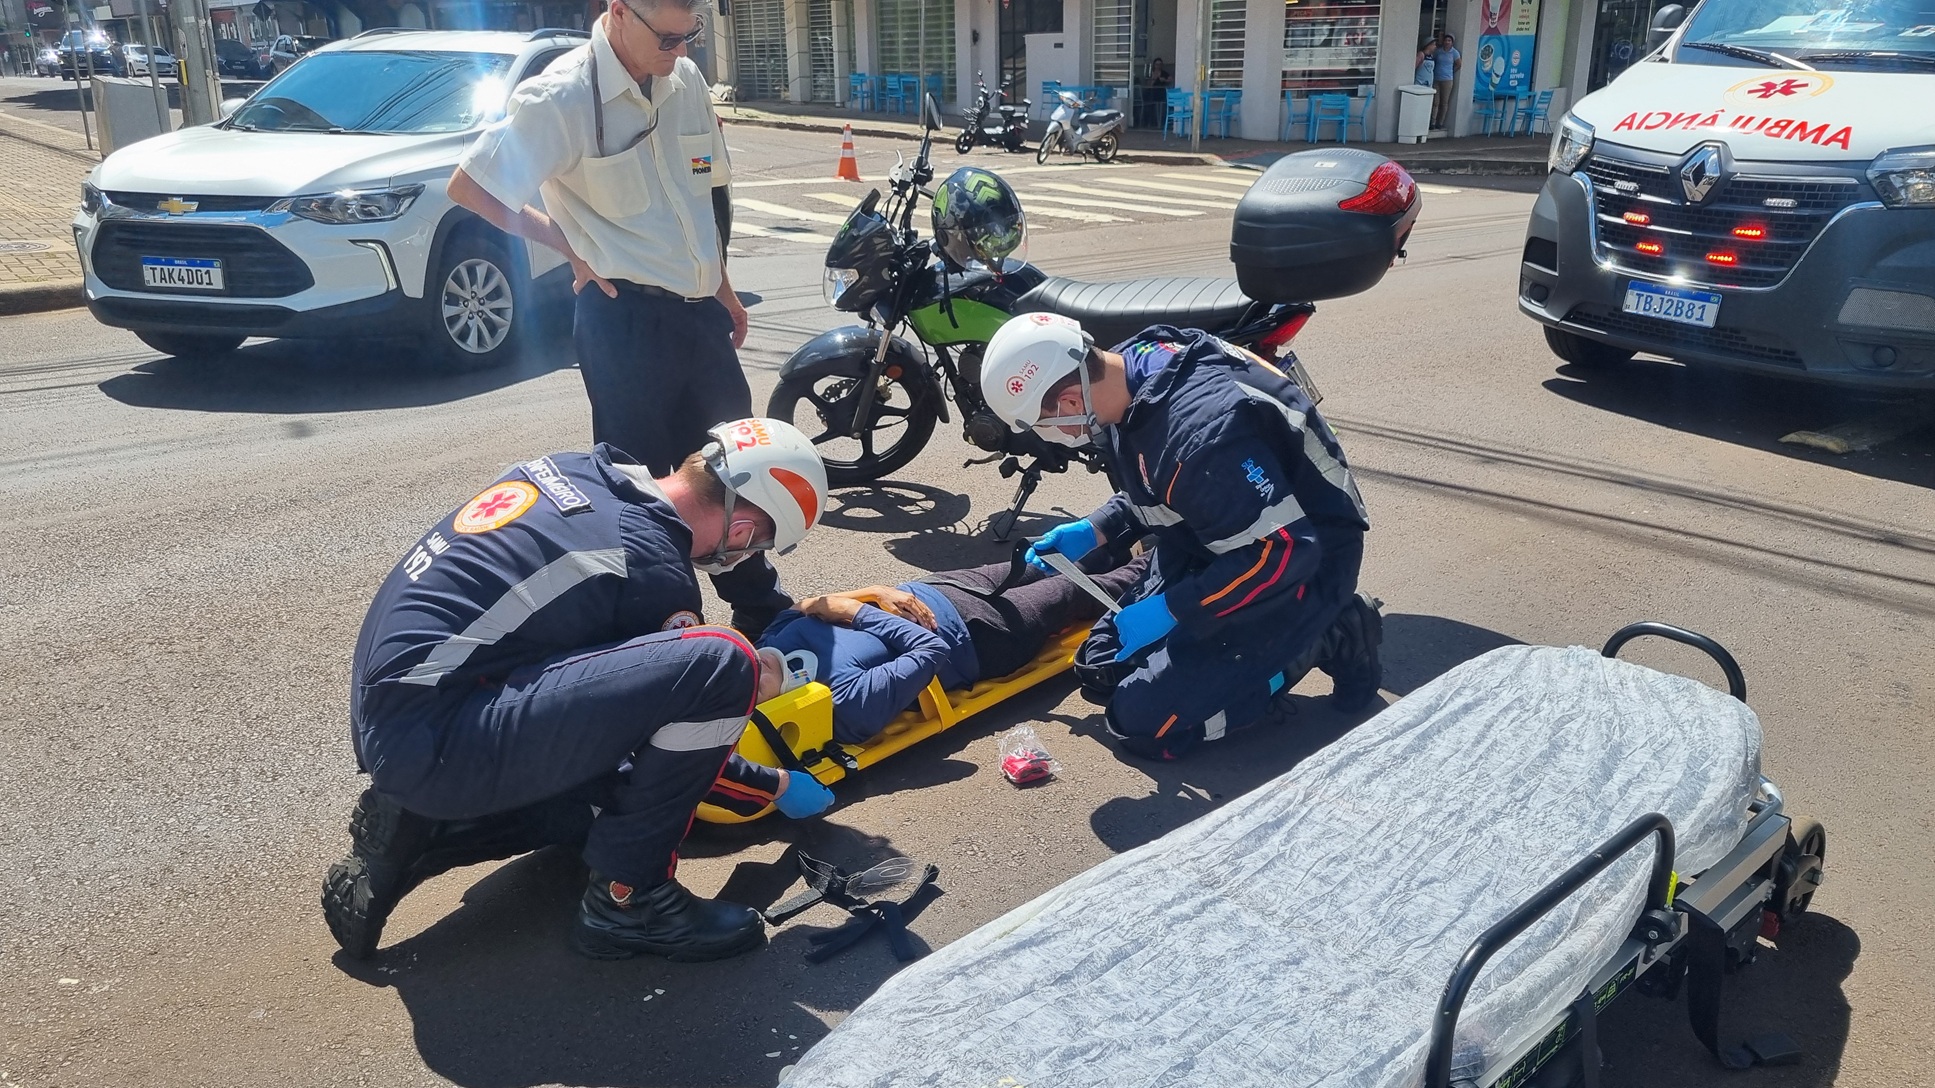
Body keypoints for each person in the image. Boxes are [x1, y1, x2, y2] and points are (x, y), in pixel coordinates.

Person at [324, 419, 835, 964]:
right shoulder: (649, 567)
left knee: (598, 809)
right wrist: (774, 786)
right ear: (740, 533)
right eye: (758, 548)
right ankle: (630, 900)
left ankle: (421, 829)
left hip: (402, 714)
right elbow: (671, 752)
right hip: (439, 738)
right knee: (722, 663)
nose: (745, 560)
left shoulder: (577, 470)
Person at [445, 0, 790, 635]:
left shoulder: (683, 82)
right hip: (623, 319)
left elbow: (701, 200)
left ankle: (760, 607)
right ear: (618, 12)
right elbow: (472, 186)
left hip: (700, 317)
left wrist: (724, 289)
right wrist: (568, 247)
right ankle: (662, 622)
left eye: (691, 36)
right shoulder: (561, 98)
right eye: (667, 38)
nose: (680, 52)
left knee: (736, 466)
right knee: (641, 484)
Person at [978, 314, 1383, 761]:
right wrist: (1096, 528)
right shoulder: (1128, 371)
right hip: (1217, 537)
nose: (1044, 437)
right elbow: (1166, 483)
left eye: (1040, 425)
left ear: (1071, 397)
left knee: (1142, 727)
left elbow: (1282, 553)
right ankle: (1235, 652)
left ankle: (1330, 632)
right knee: (1100, 666)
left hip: (1300, 565)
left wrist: (1173, 609)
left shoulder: (1200, 437)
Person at [754, 554, 1152, 745]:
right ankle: (1172, 560)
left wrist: (875, 593)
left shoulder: (765, 646)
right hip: (984, 637)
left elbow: (800, 607)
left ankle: (1136, 521)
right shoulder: (843, 704)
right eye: (752, 683)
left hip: (935, 587)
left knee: (1047, 558)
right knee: (1081, 588)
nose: (752, 663)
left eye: (741, 660)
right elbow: (930, 648)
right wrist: (856, 611)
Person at [1433, 33, 1462, 127]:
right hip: (1437, 78)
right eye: (1446, 40)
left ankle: (1440, 122)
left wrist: (1452, 71)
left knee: (1444, 102)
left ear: (1452, 42)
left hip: (1447, 79)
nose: (1447, 42)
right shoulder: (1438, 51)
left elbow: (1458, 64)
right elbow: (1434, 60)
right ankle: (1432, 121)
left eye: (1449, 41)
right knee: (1435, 101)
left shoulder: (1454, 53)